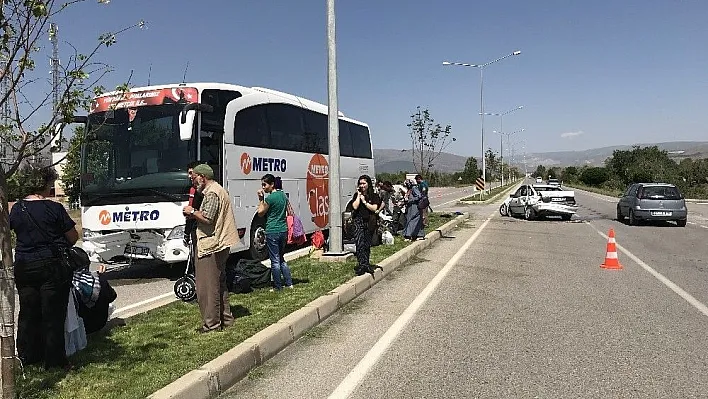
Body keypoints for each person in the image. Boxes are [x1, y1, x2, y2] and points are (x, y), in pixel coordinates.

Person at [9, 167, 79, 370]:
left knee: (28, 312)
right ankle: (55, 361)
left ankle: (27, 356)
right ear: (46, 185)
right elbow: (73, 237)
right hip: (51, 265)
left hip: (24, 265)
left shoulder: (18, 208)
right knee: (53, 314)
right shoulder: (53, 208)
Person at [182, 164, 238, 333]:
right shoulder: (217, 190)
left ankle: (211, 325)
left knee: (207, 287)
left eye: (194, 178)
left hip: (211, 244)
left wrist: (191, 212)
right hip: (219, 242)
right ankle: (226, 319)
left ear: (202, 177)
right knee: (219, 284)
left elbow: (207, 218)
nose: (193, 181)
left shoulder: (212, 193)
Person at [257, 174, 293, 291]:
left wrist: (261, 199)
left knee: (275, 260)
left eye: (265, 185)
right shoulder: (283, 195)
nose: (263, 187)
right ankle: (289, 282)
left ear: (272, 184)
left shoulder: (270, 198)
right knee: (281, 258)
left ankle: (278, 286)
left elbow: (260, 212)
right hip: (283, 229)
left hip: (272, 230)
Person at [350, 175, 382, 275]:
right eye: (360, 183)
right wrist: (359, 196)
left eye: (364, 183)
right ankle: (362, 265)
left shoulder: (374, 196)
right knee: (359, 243)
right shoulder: (357, 195)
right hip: (358, 221)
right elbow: (355, 207)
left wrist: (365, 202)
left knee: (367, 244)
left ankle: (366, 263)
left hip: (369, 222)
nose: (362, 185)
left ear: (368, 184)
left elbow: (374, 208)